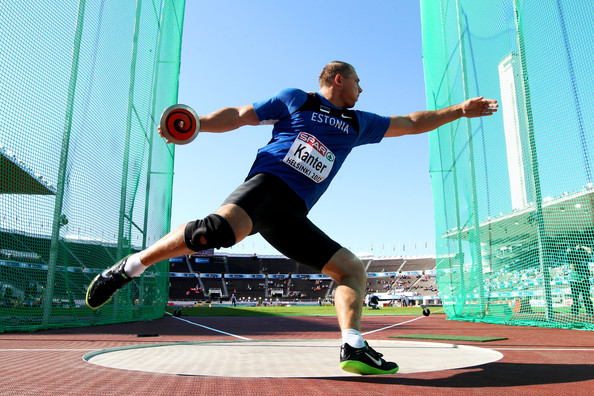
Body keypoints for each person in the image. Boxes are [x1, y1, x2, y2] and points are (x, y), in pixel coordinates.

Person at [86, 61, 498, 375]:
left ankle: (353, 345)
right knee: (216, 231)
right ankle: (130, 266)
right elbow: (242, 114)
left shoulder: (357, 124)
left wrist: (459, 110)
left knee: (352, 271)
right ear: (338, 78)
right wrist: (197, 125)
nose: (361, 89)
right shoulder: (297, 99)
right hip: (267, 187)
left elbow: (409, 123)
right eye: (357, 82)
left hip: (293, 215)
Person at [567, 245, 593, 315]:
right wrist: (573, 256)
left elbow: (590, 250)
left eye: (582, 251)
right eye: (579, 252)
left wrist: (581, 246)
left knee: (586, 297)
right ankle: (575, 313)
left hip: (584, 280)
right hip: (575, 281)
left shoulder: (585, 257)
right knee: (575, 299)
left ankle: (590, 311)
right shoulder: (573, 257)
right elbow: (572, 267)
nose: (581, 253)